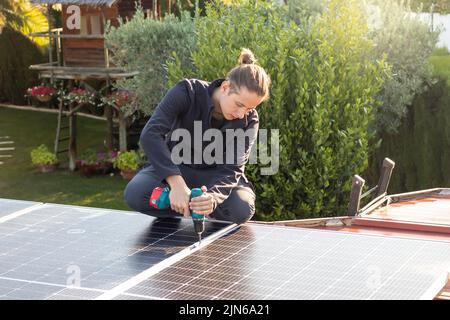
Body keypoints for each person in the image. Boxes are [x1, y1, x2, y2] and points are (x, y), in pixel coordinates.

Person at [124, 48, 271, 224]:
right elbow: (150, 134)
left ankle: (199, 207)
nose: (241, 114)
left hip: (216, 176)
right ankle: (180, 202)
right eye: (239, 104)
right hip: (177, 169)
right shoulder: (187, 92)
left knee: (242, 208)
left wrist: (213, 198)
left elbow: (233, 168)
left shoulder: (249, 120)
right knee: (135, 193)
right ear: (225, 87)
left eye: (248, 108)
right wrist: (176, 184)